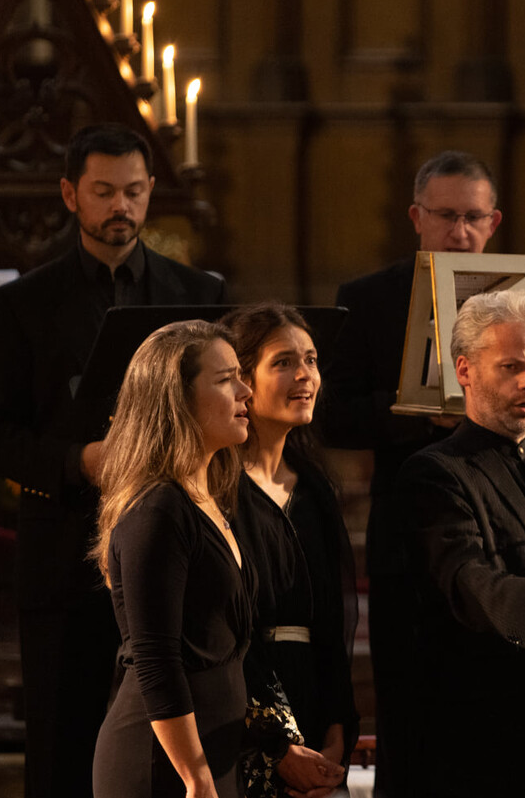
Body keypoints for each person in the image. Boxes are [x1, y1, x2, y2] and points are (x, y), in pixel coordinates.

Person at [0, 123, 228, 798]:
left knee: (166, 754)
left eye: (135, 192)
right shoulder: (25, 302)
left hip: (176, 556)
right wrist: (80, 459)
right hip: (65, 557)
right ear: (69, 194)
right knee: (60, 750)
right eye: (105, 192)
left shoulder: (195, 293)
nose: (122, 207)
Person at [315, 149, 502, 792]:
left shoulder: (522, 294)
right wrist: (423, 418)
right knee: (410, 716)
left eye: (473, 218)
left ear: (494, 222)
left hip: (505, 538)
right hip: (408, 539)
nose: (460, 232)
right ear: (416, 218)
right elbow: (332, 416)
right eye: (446, 216)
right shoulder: (368, 299)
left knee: (494, 721)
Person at [384, 289, 525, 797]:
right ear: (464, 370)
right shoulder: (435, 472)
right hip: (490, 753)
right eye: (511, 367)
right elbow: (462, 575)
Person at [90, 320, 255, 798]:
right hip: (161, 765)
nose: (246, 390)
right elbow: (155, 658)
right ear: (176, 399)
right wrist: (195, 775)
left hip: (209, 757)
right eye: (225, 380)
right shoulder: (159, 509)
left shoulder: (210, 497)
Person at [221, 303, 358, 798]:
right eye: (283, 362)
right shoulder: (215, 490)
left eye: (312, 359)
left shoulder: (316, 491)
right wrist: (278, 745)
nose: (305, 376)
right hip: (241, 715)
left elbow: (331, 623)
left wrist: (338, 724)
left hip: (313, 705)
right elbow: (223, 628)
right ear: (241, 381)